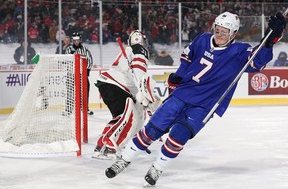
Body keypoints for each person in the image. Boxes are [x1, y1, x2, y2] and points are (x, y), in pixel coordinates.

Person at [104, 11, 287, 185]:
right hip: (183, 94)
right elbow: (187, 58)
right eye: (217, 30)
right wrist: (178, 76)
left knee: (179, 136)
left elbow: (257, 62)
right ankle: (124, 160)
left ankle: (157, 168)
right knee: (153, 129)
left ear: (233, 34)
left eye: (224, 32)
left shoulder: (240, 52)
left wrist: (270, 41)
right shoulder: (202, 39)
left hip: (205, 106)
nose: (219, 34)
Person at [93, 30, 159, 159]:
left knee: (120, 117)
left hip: (108, 84)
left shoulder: (130, 51)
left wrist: (143, 96)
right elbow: (139, 75)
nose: (145, 44)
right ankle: (110, 147)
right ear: (139, 40)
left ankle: (101, 145)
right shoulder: (139, 49)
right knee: (130, 117)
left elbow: (131, 75)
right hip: (116, 86)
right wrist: (144, 94)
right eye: (143, 41)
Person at [65, 32, 94, 115]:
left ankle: (85, 108)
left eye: (77, 40)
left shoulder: (85, 49)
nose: (76, 42)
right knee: (70, 91)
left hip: (82, 74)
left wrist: (87, 71)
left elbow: (90, 60)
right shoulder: (69, 49)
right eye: (74, 40)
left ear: (80, 40)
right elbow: (66, 60)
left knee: (85, 90)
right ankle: (68, 109)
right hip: (72, 74)